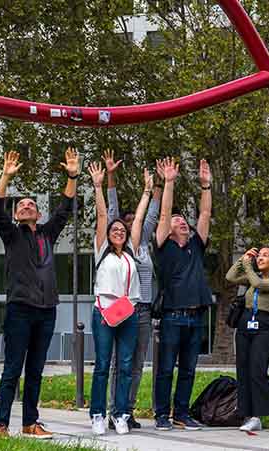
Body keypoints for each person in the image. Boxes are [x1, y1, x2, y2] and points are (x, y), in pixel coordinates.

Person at [0, 149, 81, 439]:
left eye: (32, 204)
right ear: (17, 214)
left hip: (46, 311)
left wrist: (72, 175)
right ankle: (1, 425)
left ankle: (30, 423)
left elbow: (65, 207)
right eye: (22, 205)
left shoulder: (47, 233)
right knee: (12, 369)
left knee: (36, 370)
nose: (27, 206)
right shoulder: (11, 234)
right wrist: (5, 176)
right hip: (19, 309)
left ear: (39, 214)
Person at [85, 160, 151, 436]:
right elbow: (103, 217)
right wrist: (98, 186)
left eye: (122, 230)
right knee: (102, 365)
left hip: (128, 311)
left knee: (125, 365)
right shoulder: (102, 251)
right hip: (104, 310)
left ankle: (121, 413)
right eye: (115, 230)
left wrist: (147, 192)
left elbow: (137, 219)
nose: (119, 231)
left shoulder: (132, 252)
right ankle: (98, 414)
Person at [100, 150, 161, 430]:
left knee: (135, 365)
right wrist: (110, 177)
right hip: (120, 309)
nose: (126, 227)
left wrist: (155, 188)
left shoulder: (142, 246)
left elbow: (148, 217)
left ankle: (127, 409)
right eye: (122, 226)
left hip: (144, 310)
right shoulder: (116, 248)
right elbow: (111, 214)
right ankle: (114, 409)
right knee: (118, 362)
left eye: (129, 225)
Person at [152, 157, 213, 431]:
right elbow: (164, 215)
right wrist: (169, 182)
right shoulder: (165, 248)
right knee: (166, 370)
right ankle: (162, 415)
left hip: (195, 317)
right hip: (172, 318)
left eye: (183, 220)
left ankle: (182, 413)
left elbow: (204, 215)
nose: (182, 222)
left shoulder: (196, 246)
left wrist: (206, 187)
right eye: (178, 221)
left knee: (188, 371)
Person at [226, 246, 269, 434]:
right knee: (243, 371)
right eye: (259, 255)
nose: (260, 258)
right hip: (246, 322)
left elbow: (259, 284)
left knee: (258, 371)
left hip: (264, 324)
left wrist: (247, 265)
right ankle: (251, 416)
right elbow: (230, 277)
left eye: (265, 256)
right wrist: (243, 259)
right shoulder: (253, 277)